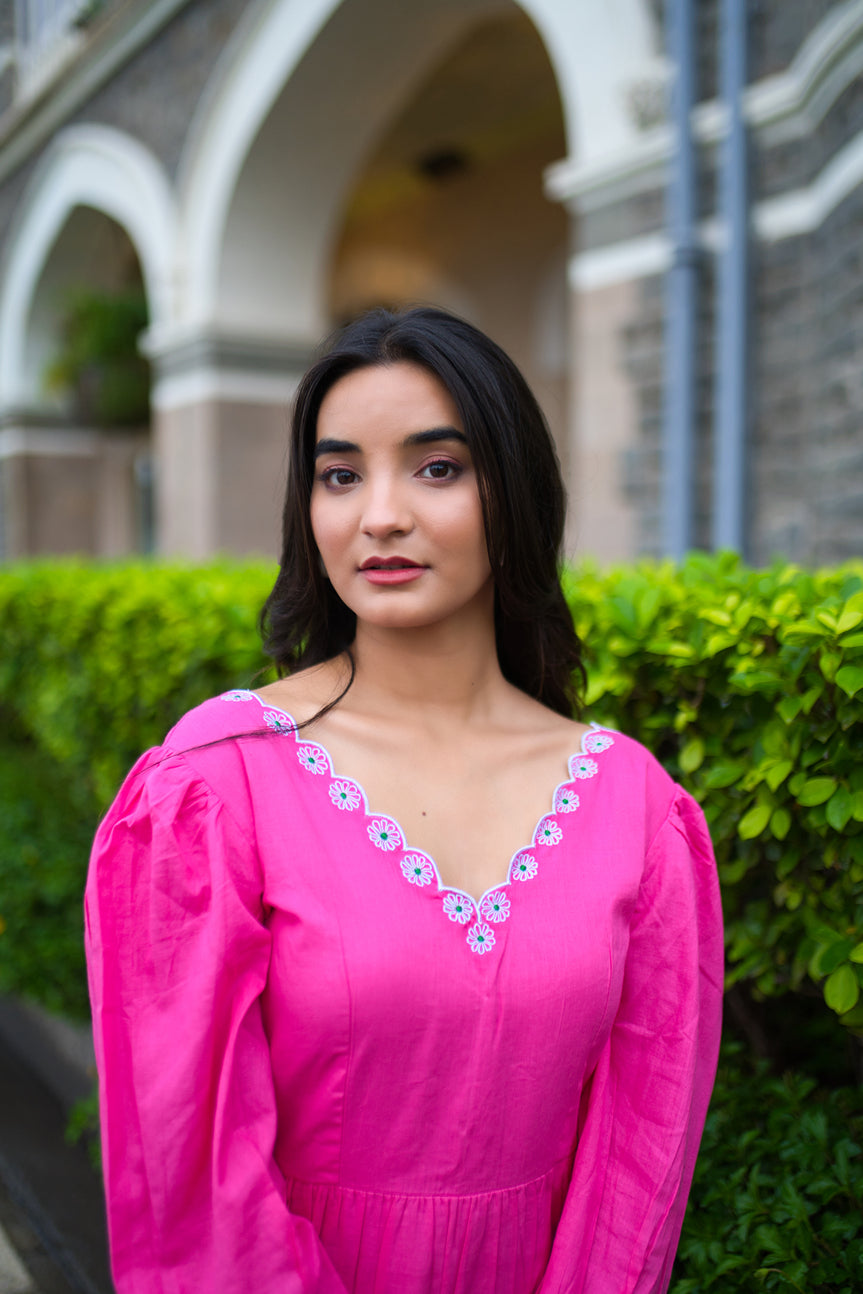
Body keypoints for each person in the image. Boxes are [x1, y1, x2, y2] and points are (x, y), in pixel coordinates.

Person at [85, 306, 724, 1294]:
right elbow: (193, 1169)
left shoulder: (633, 806)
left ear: (511, 491)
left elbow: (639, 1154)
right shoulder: (217, 781)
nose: (379, 514)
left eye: (435, 467)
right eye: (340, 475)